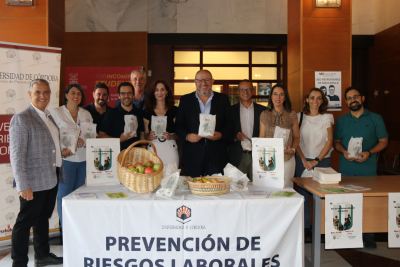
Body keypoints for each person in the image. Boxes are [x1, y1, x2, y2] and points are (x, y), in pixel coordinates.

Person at [10, 79, 69, 267]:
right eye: (37, 92)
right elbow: (17, 156)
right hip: (33, 182)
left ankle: (42, 255)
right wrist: (23, 185)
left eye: (46, 92)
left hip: (51, 178)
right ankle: (19, 262)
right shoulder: (22, 118)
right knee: (24, 223)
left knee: (43, 219)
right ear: (30, 94)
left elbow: (51, 147)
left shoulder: (48, 117)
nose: (42, 96)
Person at [333, 86, 389, 248]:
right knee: (346, 203)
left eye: (356, 96)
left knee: (368, 204)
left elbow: (384, 141)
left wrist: (369, 152)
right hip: (346, 169)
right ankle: (347, 234)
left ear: (363, 98)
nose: (353, 100)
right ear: (346, 102)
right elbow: (336, 143)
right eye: (349, 98)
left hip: (368, 170)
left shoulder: (375, 118)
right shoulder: (342, 120)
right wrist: (343, 151)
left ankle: (368, 236)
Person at [175, 69, 234, 177]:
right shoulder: (185, 100)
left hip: (217, 154)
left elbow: (230, 124)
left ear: (212, 81)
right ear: (195, 82)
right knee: (192, 190)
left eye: (207, 80)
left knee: (216, 189)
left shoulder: (223, 99)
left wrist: (221, 134)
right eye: (200, 80)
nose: (203, 83)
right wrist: (187, 136)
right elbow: (178, 125)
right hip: (193, 154)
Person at [50, 84, 93, 228]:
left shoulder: (86, 114)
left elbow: (91, 134)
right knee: (64, 196)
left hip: (83, 160)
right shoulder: (56, 113)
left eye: (79, 93)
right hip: (66, 160)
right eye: (73, 93)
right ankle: (65, 230)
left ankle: (76, 230)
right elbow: (52, 136)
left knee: (78, 196)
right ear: (66, 95)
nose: (76, 96)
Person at [294, 88, 333, 239]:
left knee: (322, 195)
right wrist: (304, 160)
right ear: (307, 100)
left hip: (322, 161)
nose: (315, 101)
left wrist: (316, 161)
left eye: (318, 98)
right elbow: (296, 140)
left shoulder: (327, 117)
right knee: (303, 195)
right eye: (312, 98)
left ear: (322, 101)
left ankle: (322, 228)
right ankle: (306, 228)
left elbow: (329, 141)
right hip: (302, 161)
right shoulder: (299, 116)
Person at [259, 84, 300, 188]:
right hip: (269, 159)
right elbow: (262, 137)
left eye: (281, 94)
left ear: (285, 97)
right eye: (275, 94)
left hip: (287, 158)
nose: (278, 97)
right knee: (269, 187)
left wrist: (293, 150)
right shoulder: (264, 114)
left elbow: (296, 137)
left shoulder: (291, 114)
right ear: (271, 97)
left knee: (286, 188)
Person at [228, 79, 267, 181]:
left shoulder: (263, 111)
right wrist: (236, 137)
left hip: (258, 156)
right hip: (238, 155)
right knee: (237, 187)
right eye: (242, 89)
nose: (245, 92)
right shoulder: (231, 111)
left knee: (259, 186)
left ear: (252, 91)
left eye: (248, 89)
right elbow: (225, 132)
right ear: (238, 92)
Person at [143, 80, 179, 165]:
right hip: (153, 149)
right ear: (153, 92)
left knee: (171, 176)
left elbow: (179, 134)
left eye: (162, 89)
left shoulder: (174, 110)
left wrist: (171, 136)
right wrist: (149, 136)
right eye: (156, 90)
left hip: (170, 148)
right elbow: (145, 134)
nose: (160, 92)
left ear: (167, 92)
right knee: (153, 177)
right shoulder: (147, 111)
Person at [99, 82, 144, 150]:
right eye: (123, 93)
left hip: (135, 156)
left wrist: (144, 153)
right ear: (118, 95)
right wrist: (119, 140)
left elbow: (143, 136)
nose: (126, 96)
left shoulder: (140, 113)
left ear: (133, 94)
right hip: (116, 155)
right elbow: (101, 135)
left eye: (129, 93)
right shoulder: (110, 113)